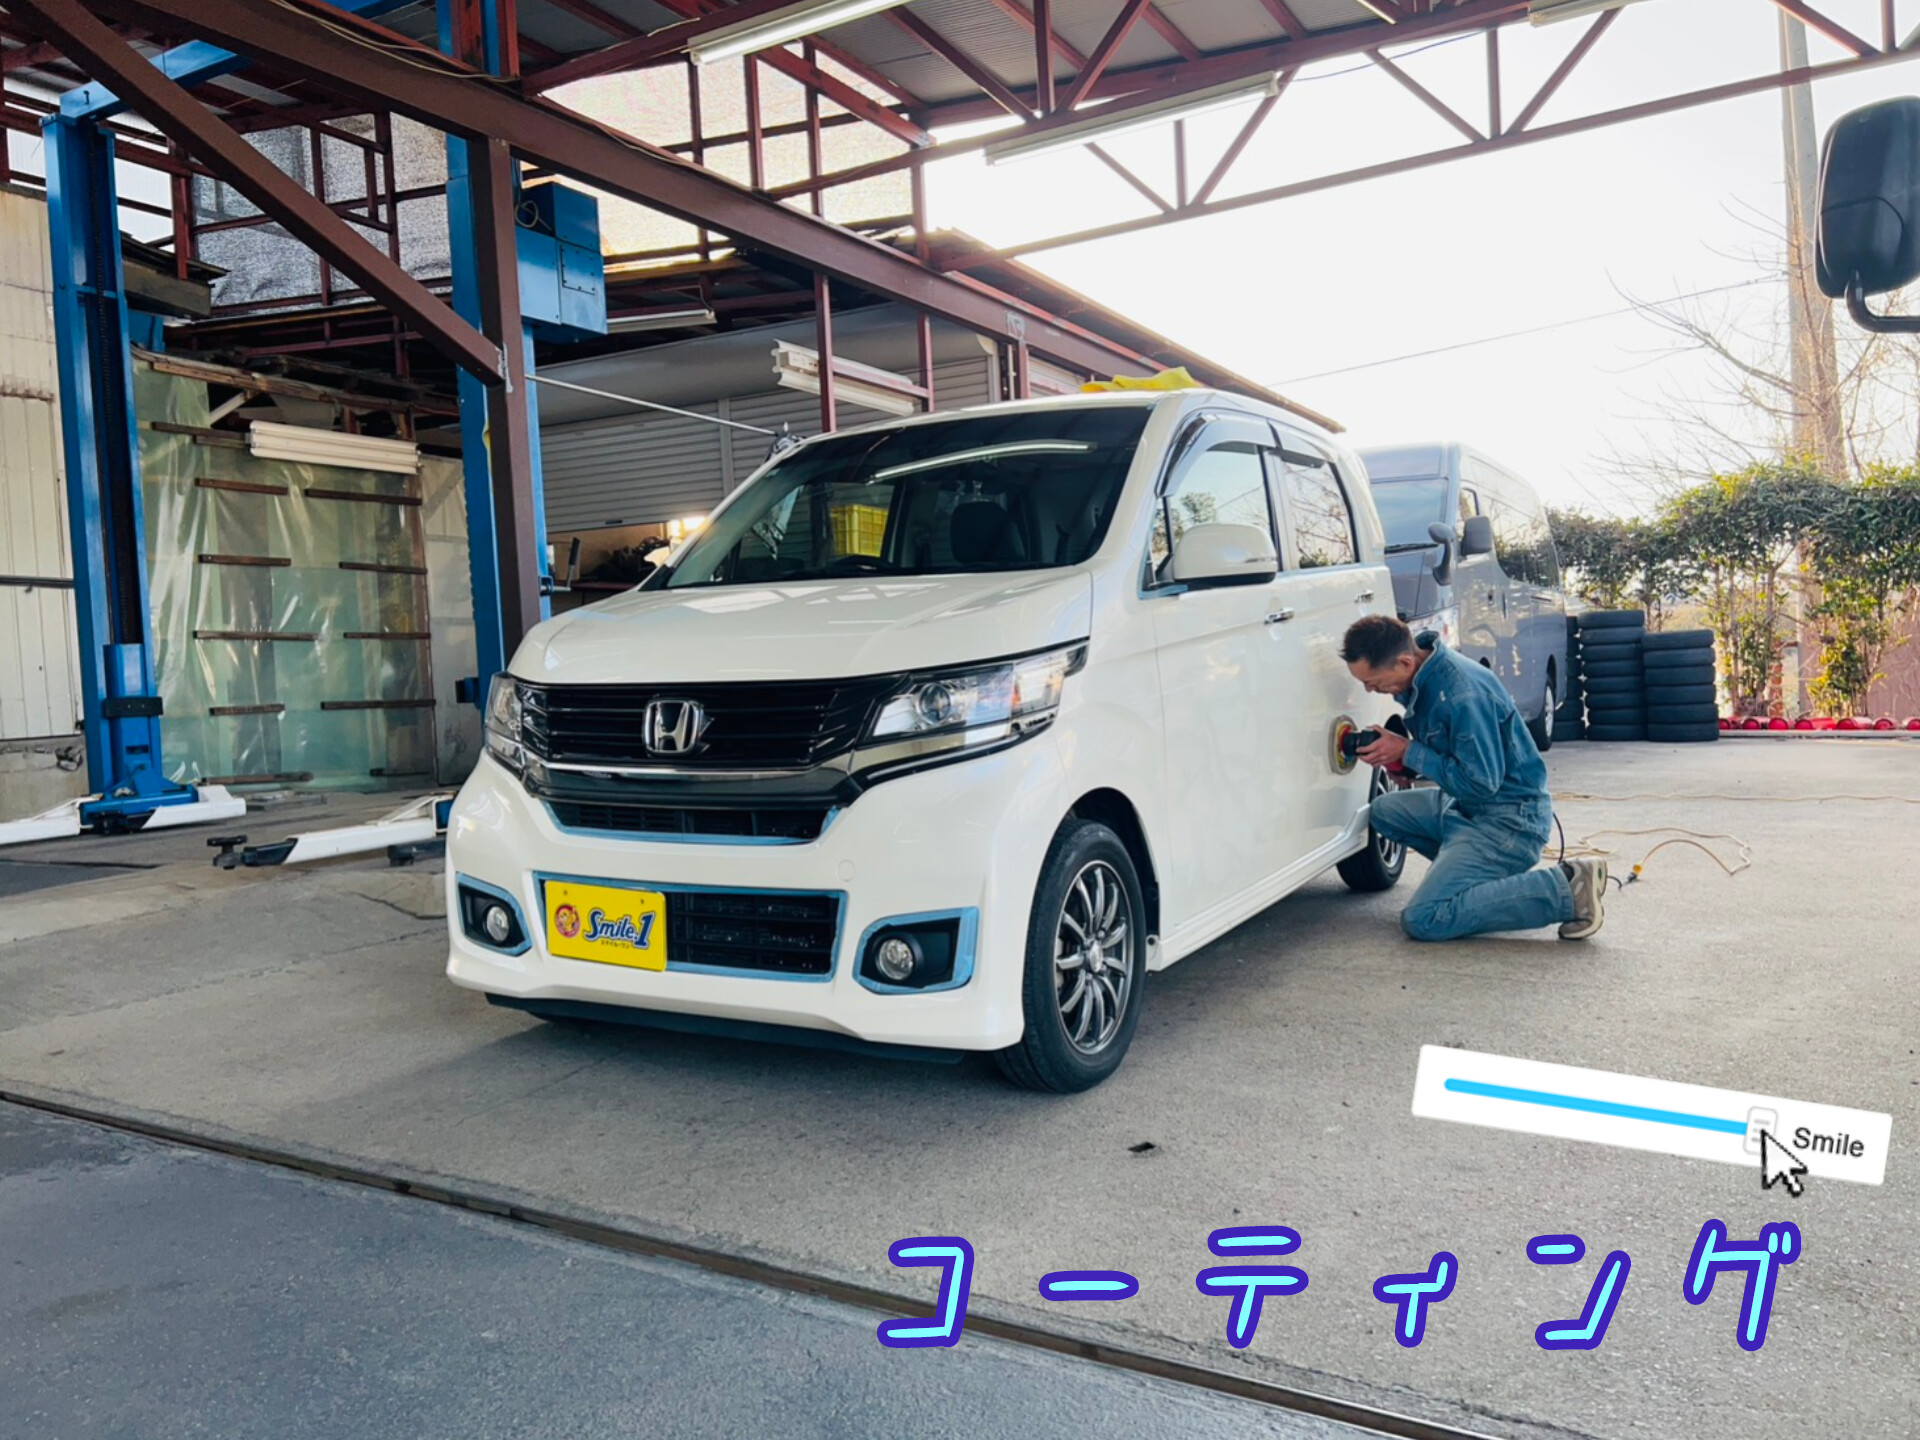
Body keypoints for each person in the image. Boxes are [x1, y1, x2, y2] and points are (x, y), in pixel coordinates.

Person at [1340, 615, 1606, 942]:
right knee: (1384, 811)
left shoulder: (1461, 694)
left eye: (1374, 682)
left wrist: (1408, 751)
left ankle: (1568, 889)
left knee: (1425, 918)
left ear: (1405, 662)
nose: (1370, 690)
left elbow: (1481, 784)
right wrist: (1403, 760)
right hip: (1464, 807)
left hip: (1509, 821)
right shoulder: (1423, 673)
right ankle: (1467, 877)